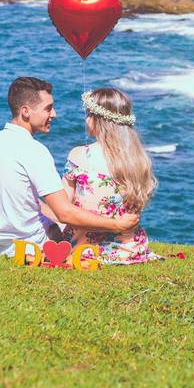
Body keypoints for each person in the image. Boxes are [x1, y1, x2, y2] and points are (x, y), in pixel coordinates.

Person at [0, 77, 140, 256]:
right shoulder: (34, 150)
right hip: (26, 246)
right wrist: (118, 224)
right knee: (69, 223)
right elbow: (64, 214)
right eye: (48, 108)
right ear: (26, 111)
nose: (54, 114)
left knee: (44, 206)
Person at [60, 87, 163, 264]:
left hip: (85, 250)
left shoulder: (79, 155)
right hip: (130, 251)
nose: (86, 119)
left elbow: (64, 208)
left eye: (89, 114)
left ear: (99, 120)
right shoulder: (138, 159)